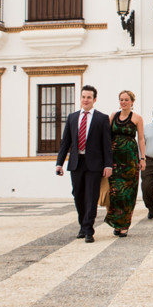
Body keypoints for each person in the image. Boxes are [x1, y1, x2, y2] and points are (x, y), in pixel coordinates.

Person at [55, 85, 113, 243]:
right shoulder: (72, 117)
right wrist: (59, 163)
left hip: (94, 164)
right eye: (83, 97)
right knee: (78, 195)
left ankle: (88, 229)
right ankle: (83, 224)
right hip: (76, 163)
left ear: (94, 99)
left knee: (91, 196)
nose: (85, 100)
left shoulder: (102, 118)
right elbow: (65, 142)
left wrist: (108, 165)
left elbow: (106, 145)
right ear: (80, 98)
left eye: (89, 97)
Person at [107, 90, 145, 237]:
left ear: (132, 102)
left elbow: (141, 139)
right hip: (115, 160)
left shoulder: (137, 118)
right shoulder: (113, 116)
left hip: (130, 161)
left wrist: (142, 159)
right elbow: (107, 135)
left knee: (128, 194)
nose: (123, 102)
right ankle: (117, 222)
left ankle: (124, 225)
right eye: (121, 99)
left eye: (126, 100)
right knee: (115, 193)